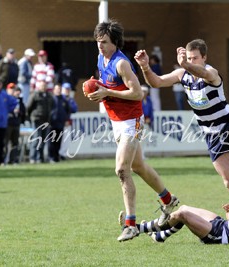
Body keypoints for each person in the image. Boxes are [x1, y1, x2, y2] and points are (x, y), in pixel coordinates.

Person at [135, 39, 229, 214]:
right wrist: (145, 67)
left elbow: (203, 73)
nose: (191, 62)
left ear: (204, 57)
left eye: (195, 58)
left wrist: (184, 64)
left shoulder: (210, 72)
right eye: (189, 58)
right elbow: (157, 82)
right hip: (211, 133)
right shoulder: (182, 74)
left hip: (228, 122)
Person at [84, 19, 179, 242]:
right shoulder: (101, 57)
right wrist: (94, 85)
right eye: (98, 41)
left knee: (121, 169)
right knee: (138, 166)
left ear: (115, 42)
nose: (100, 45)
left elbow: (138, 94)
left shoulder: (121, 63)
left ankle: (131, 224)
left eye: (104, 42)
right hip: (116, 121)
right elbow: (107, 85)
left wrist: (106, 92)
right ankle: (168, 199)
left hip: (132, 121)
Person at [121, 173, 229, 245]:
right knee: (183, 208)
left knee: (182, 213)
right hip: (223, 226)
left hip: (220, 235)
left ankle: (136, 228)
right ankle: (160, 236)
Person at [26, 80, 55, 164]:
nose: (43, 87)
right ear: (38, 86)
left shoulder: (49, 96)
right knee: (36, 139)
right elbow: (29, 107)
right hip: (37, 120)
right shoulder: (35, 95)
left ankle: (40, 158)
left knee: (43, 140)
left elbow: (52, 106)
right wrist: (31, 117)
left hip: (46, 120)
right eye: (42, 86)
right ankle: (33, 157)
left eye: (44, 86)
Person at [48, 84, 70, 163]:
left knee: (58, 141)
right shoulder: (51, 99)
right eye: (56, 89)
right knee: (52, 141)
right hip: (52, 123)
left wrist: (67, 119)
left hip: (60, 123)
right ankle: (51, 157)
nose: (58, 90)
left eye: (59, 89)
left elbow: (68, 110)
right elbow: (48, 110)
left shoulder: (64, 100)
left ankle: (56, 157)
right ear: (54, 90)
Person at [4, 83, 26, 165]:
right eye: (12, 89)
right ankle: (4, 159)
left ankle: (13, 159)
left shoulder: (19, 100)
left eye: (15, 89)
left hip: (16, 123)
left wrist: (20, 114)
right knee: (5, 142)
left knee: (15, 143)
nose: (13, 91)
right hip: (8, 123)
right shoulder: (6, 99)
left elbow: (23, 112)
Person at [59, 82, 78, 160]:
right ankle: (57, 154)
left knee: (65, 140)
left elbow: (75, 109)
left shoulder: (70, 99)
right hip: (59, 122)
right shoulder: (60, 98)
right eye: (65, 89)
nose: (67, 90)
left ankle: (62, 155)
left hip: (67, 122)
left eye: (68, 89)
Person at [141, 84, 153, 160]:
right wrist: (143, 119)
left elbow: (151, 111)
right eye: (142, 91)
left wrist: (150, 119)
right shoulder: (138, 100)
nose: (143, 93)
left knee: (144, 140)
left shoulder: (149, 100)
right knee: (139, 141)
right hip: (140, 122)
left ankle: (143, 155)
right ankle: (140, 156)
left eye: (145, 91)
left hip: (147, 122)